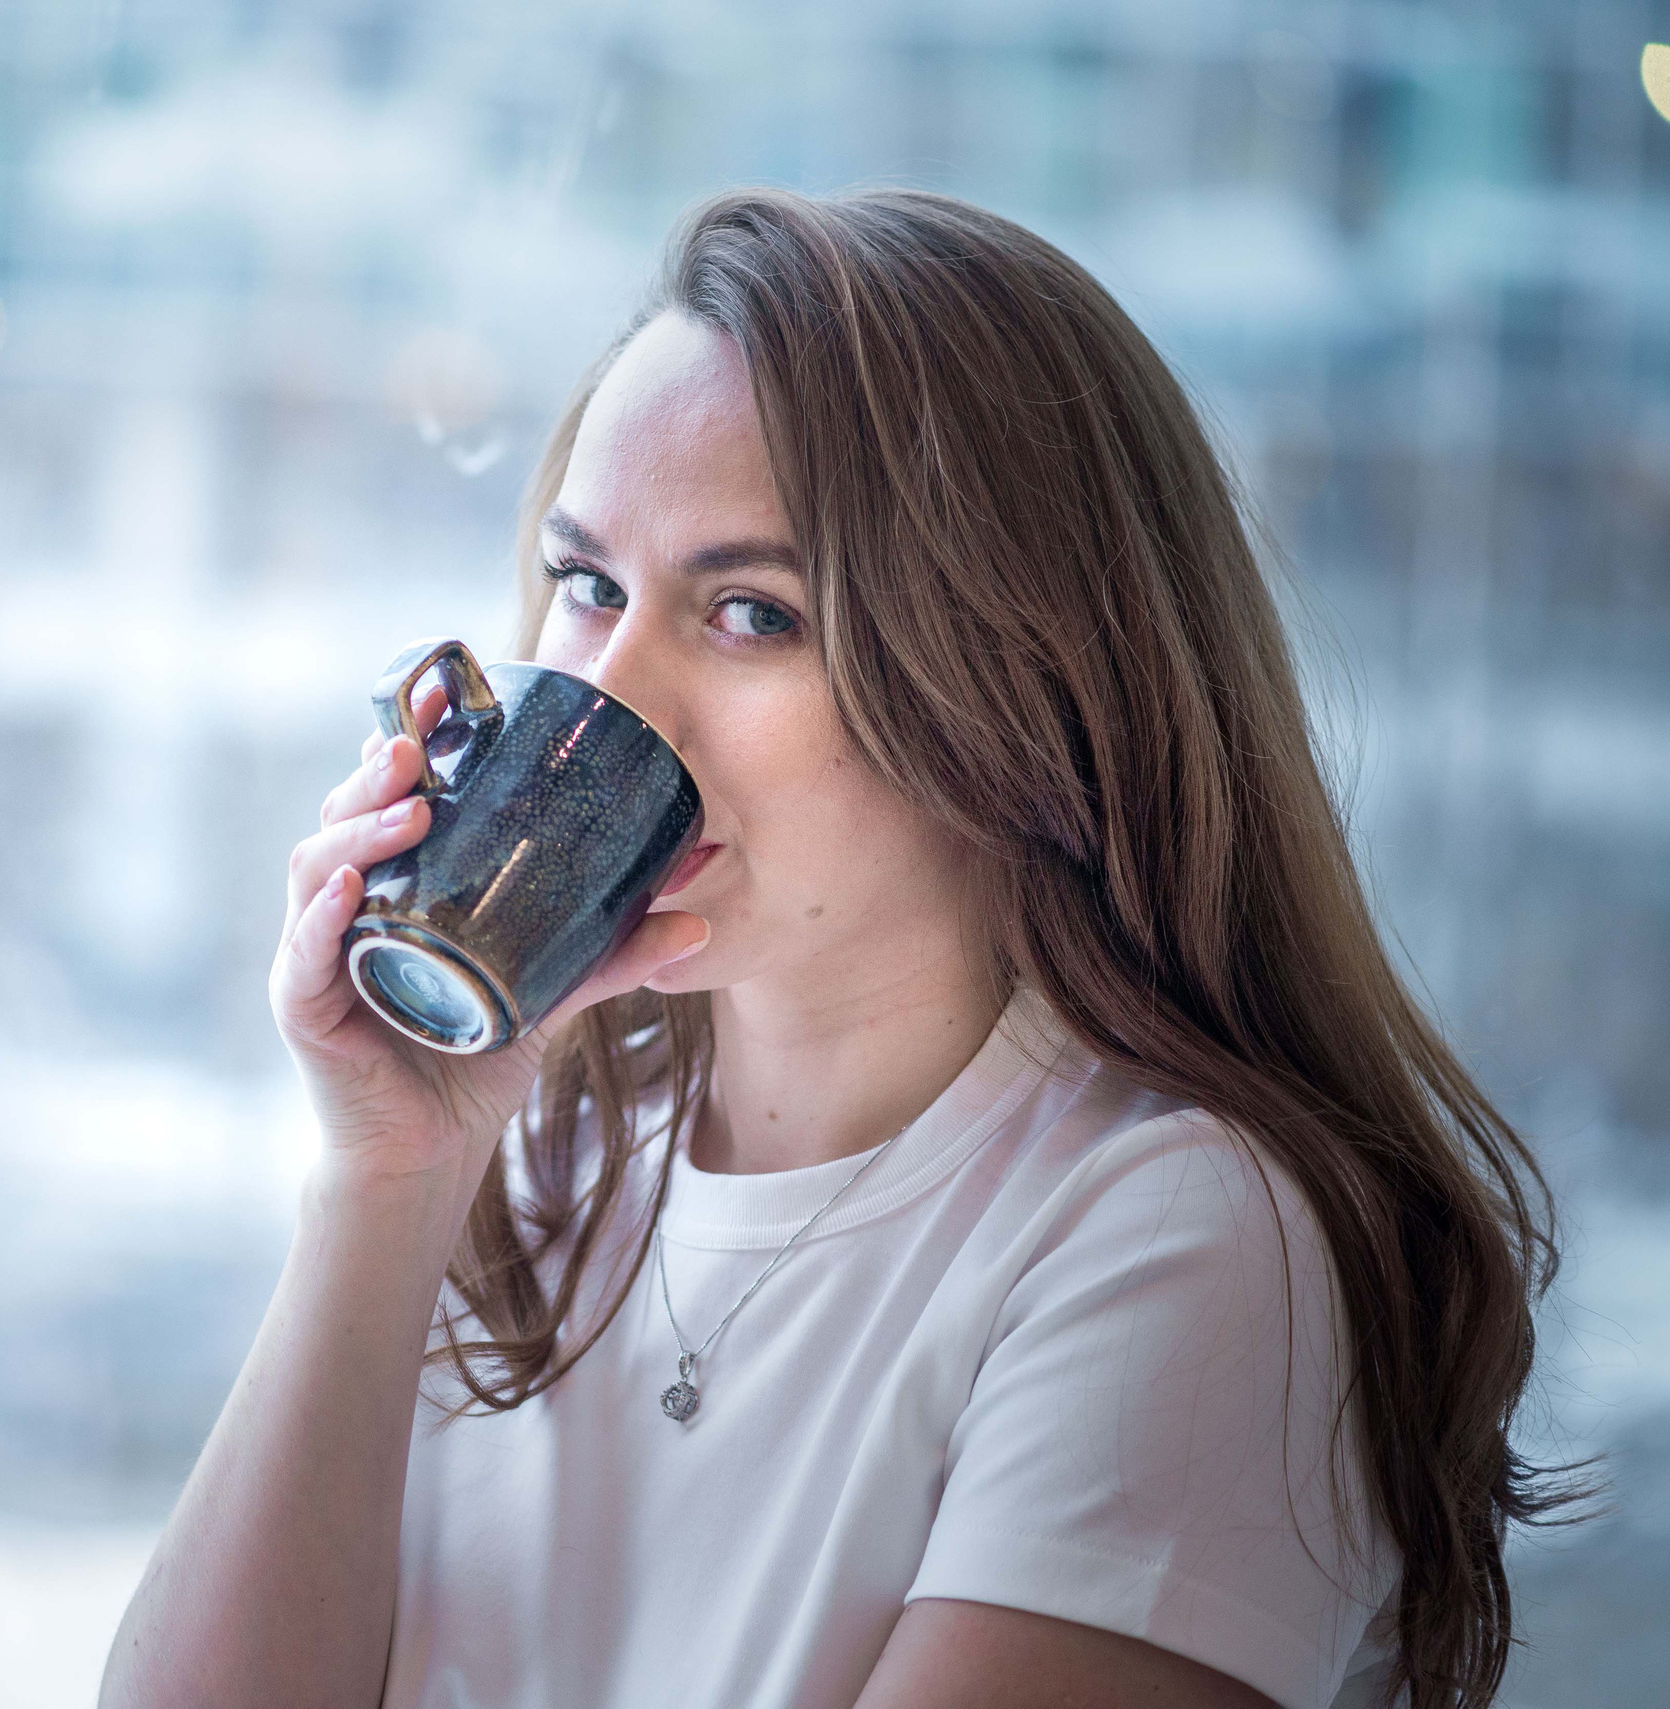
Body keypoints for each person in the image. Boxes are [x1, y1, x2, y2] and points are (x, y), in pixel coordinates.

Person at [99, 188, 1572, 1709]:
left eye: (752, 614)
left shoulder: (1183, 1241)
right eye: (588, 587)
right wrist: (386, 1176)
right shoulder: (543, 1148)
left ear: (1017, 688)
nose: (611, 696)